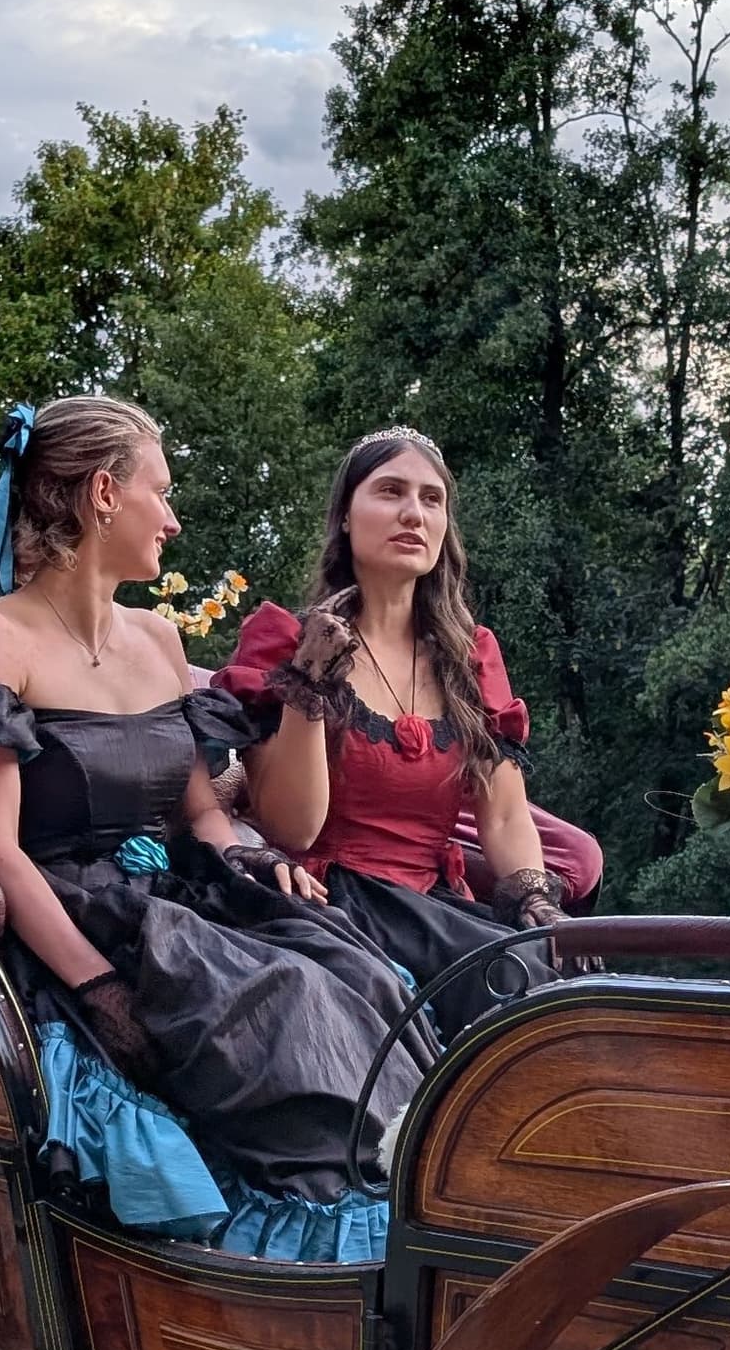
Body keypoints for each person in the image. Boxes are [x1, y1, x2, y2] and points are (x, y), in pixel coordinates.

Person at [0, 396, 420, 1255]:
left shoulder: (158, 640)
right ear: (104, 493)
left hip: (179, 888)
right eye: (160, 493)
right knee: (282, 1002)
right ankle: (305, 1248)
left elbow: (201, 808)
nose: (171, 519)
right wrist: (98, 986)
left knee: (358, 971)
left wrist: (250, 858)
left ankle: (403, 1195)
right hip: (70, 906)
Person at [222, 426, 561, 1034]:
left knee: (554, 977)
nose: (413, 513)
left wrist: (534, 896)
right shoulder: (286, 642)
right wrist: (311, 680)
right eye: (390, 491)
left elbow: (506, 817)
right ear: (346, 517)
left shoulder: (469, 656)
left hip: (432, 903)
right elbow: (292, 827)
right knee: (504, 978)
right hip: (332, 901)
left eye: (432, 499)